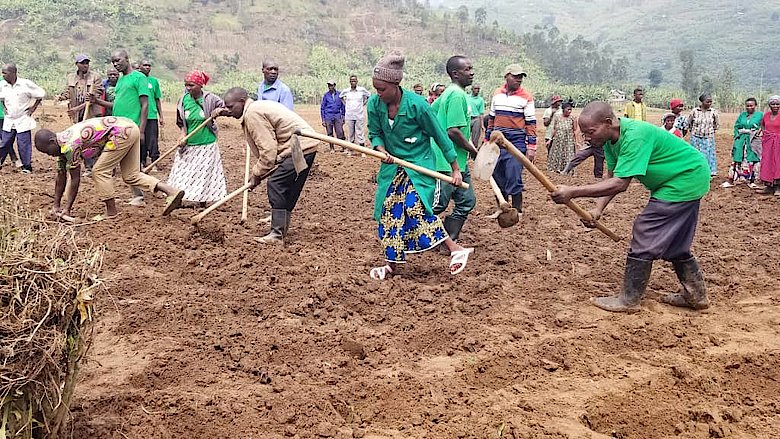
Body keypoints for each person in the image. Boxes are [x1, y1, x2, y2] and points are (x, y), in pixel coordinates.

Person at [551, 102, 711, 313]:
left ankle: (629, 299)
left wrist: (573, 191)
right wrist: (597, 210)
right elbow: (612, 175)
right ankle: (696, 295)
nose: (587, 138)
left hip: (684, 179)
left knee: (645, 229)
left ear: (608, 123)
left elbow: (621, 184)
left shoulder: (635, 135)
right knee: (677, 242)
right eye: (585, 134)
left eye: (590, 132)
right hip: (682, 178)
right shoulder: (609, 141)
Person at [367, 51, 473, 280]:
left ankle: (456, 250)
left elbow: (441, 136)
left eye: (382, 89)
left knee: (414, 206)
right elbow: (375, 133)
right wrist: (380, 149)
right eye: (376, 88)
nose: (378, 93)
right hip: (392, 166)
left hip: (418, 165)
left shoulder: (418, 106)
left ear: (396, 84)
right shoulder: (375, 104)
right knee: (389, 212)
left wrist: (455, 169)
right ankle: (391, 265)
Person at [214, 87, 316, 244]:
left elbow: (268, 151)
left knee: (276, 184)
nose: (228, 110)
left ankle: (277, 234)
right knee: (288, 188)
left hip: (298, 147)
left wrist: (256, 174)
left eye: (230, 107)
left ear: (242, 102)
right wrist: (224, 112)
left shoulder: (252, 114)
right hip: (306, 146)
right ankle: (281, 228)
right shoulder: (255, 107)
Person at [33, 116, 184, 221]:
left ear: (53, 141)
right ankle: (171, 191)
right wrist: (56, 205)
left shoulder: (69, 146)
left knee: (98, 171)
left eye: (48, 151)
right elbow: (61, 177)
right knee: (131, 175)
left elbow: (75, 179)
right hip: (130, 128)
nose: (49, 155)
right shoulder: (61, 144)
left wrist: (67, 209)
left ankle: (111, 212)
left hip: (121, 132)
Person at [90, 49, 151, 206]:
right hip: (118, 128)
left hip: (131, 128)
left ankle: (141, 194)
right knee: (129, 164)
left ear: (127, 59)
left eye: (118, 60)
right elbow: (116, 104)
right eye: (113, 62)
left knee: (106, 166)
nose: (116, 64)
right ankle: (138, 196)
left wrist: (142, 130)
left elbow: (145, 105)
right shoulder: (121, 81)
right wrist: (97, 101)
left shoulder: (139, 78)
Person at [431, 56, 479, 245]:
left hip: (459, 162)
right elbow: (453, 131)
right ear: (455, 74)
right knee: (437, 205)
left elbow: (431, 113)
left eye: (471, 68)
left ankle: (448, 240)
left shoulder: (450, 93)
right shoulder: (456, 95)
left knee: (467, 201)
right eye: (467, 69)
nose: (472, 72)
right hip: (445, 162)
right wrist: (474, 151)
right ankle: (405, 233)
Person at [168, 70, 227, 207]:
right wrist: (182, 135)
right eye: (186, 85)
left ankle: (201, 202)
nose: (188, 88)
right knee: (182, 173)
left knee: (204, 175)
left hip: (207, 144)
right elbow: (181, 122)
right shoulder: (183, 100)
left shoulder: (210, 99)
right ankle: (177, 199)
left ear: (200, 85)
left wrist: (219, 111)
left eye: (192, 85)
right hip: (189, 144)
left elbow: (228, 108)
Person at [485, 63, 536, 217]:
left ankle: (517, 210)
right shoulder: (497, 94)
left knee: (513, 174)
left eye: (521, 77)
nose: (519, 79)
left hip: (516, 142)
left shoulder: (526, 97)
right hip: (497, 141)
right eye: (515, 76)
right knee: (497, 174)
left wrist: (531, 147)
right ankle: (501, 207)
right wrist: (487, 141)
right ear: (506, 76)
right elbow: (491, 119)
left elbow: (531, 123)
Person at [0, 63, 45, 173]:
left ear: (13, 73)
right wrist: (4, 108)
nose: (3, 75)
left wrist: (33, 108)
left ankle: (26, 166)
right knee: (5, 142)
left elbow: (41, 94)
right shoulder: (2, 85)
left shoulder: (25, 84)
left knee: (23, 143)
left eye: (5, 73)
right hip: (9, 119)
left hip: (22, 118)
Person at [723, 97, 763, 188]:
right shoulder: (742, 115)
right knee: (737, 158)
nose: (749, 107)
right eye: (747, 106)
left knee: (752, 159)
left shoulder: (760, 115)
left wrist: (759, 131)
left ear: (755, 106)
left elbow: (764, 125)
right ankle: (731, 179)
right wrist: (737, 135)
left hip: (753, 140)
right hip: (741, 139)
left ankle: (751, 181)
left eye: (751, 106)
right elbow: (737, 126)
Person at [57, 54, 103, 124]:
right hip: (76, 114)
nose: (85, 65)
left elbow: (94, 98)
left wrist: (77, 108)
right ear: (76, 64)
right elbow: (68, 92)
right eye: (82, 63)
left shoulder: (95, 77)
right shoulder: (70, 77)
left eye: (87, 63)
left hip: (90, 112)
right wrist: (62, 97)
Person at [138, 60, 164, 170]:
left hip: (152, 116)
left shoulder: (154, 81)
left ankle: (154, 162)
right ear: (140, 67)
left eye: (149, 65)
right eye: (145, 65)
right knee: (140, 140)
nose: (147, 67)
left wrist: (161, 116)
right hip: (139, 116)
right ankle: (142, 162)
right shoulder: (137, 80)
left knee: (153, 140)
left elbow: (157, 99)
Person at [687, 93, 719, 176]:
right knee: (696, 154)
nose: (709, 104)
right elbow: (689, 123)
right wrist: (693, 131)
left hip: (708, 137)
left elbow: (716, 124)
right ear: (702, 102)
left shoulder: (713, 112)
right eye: (707, 102)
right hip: (696, 137)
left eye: (710, 102)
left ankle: (709, 172)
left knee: (708, 155)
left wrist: (711, 131)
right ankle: (696, 171)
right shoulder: (694, 111)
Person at [756, 95, 780, 196]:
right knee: (767, 162)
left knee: (777, 163)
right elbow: (762, 124)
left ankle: (778, 188)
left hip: (778, 143)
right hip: (768, 142)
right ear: (769, 105)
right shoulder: (766, 115)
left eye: (777, 104)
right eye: (773, 104)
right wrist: (763, 131)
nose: (775, 106)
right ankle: (768, 186)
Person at [340, 75, 370, 149]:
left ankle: (363, 150)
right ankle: (350, 149)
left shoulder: (361, 90)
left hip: (359, 115)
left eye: (354, 81)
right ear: (350, 82)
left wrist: (364, 103)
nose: (353, 82)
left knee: (360, 132)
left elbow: (369, 95)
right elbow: (341, 97)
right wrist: (345, 104)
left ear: (357, 81)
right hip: (349, 115)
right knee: (351, 133)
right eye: (352, 81)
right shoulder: (346, 91)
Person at [547, 102, 578, 173]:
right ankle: (556, 168)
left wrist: (576, 142)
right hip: (558, 141)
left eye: (571, 110)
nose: (569, 111)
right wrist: (550, 139)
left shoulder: (573, 118)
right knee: (557, 154)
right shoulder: (557, 117)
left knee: (568, 155)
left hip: (568, 141)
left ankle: (567, 170)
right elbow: (555, 129)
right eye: (568, 109)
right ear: (563, 110)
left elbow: (575, 131)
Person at [320, 80, 345, 151]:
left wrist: (343, 116)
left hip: (337, 115)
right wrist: (323, 119)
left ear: (334, 86)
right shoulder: (326, 95)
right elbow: (322, 108)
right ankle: (332, 148)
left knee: (340, 132)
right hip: (328, 116)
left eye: (331, 85)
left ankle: (343, 147)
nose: (330, 87)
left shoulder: (340, 95)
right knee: (329, 133)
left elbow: (343, 106)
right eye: (329, 85)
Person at [467, 84, 485, 148]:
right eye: (475, 89)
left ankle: (473, 154)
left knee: (475, 138)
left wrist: (482, 125)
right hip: (468, 118)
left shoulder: (480, 100)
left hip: (476, 119)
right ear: (472, 89)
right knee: (466, 136)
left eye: (478, 89)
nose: (477, 90)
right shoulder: (467, 97)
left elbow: (481, 113)